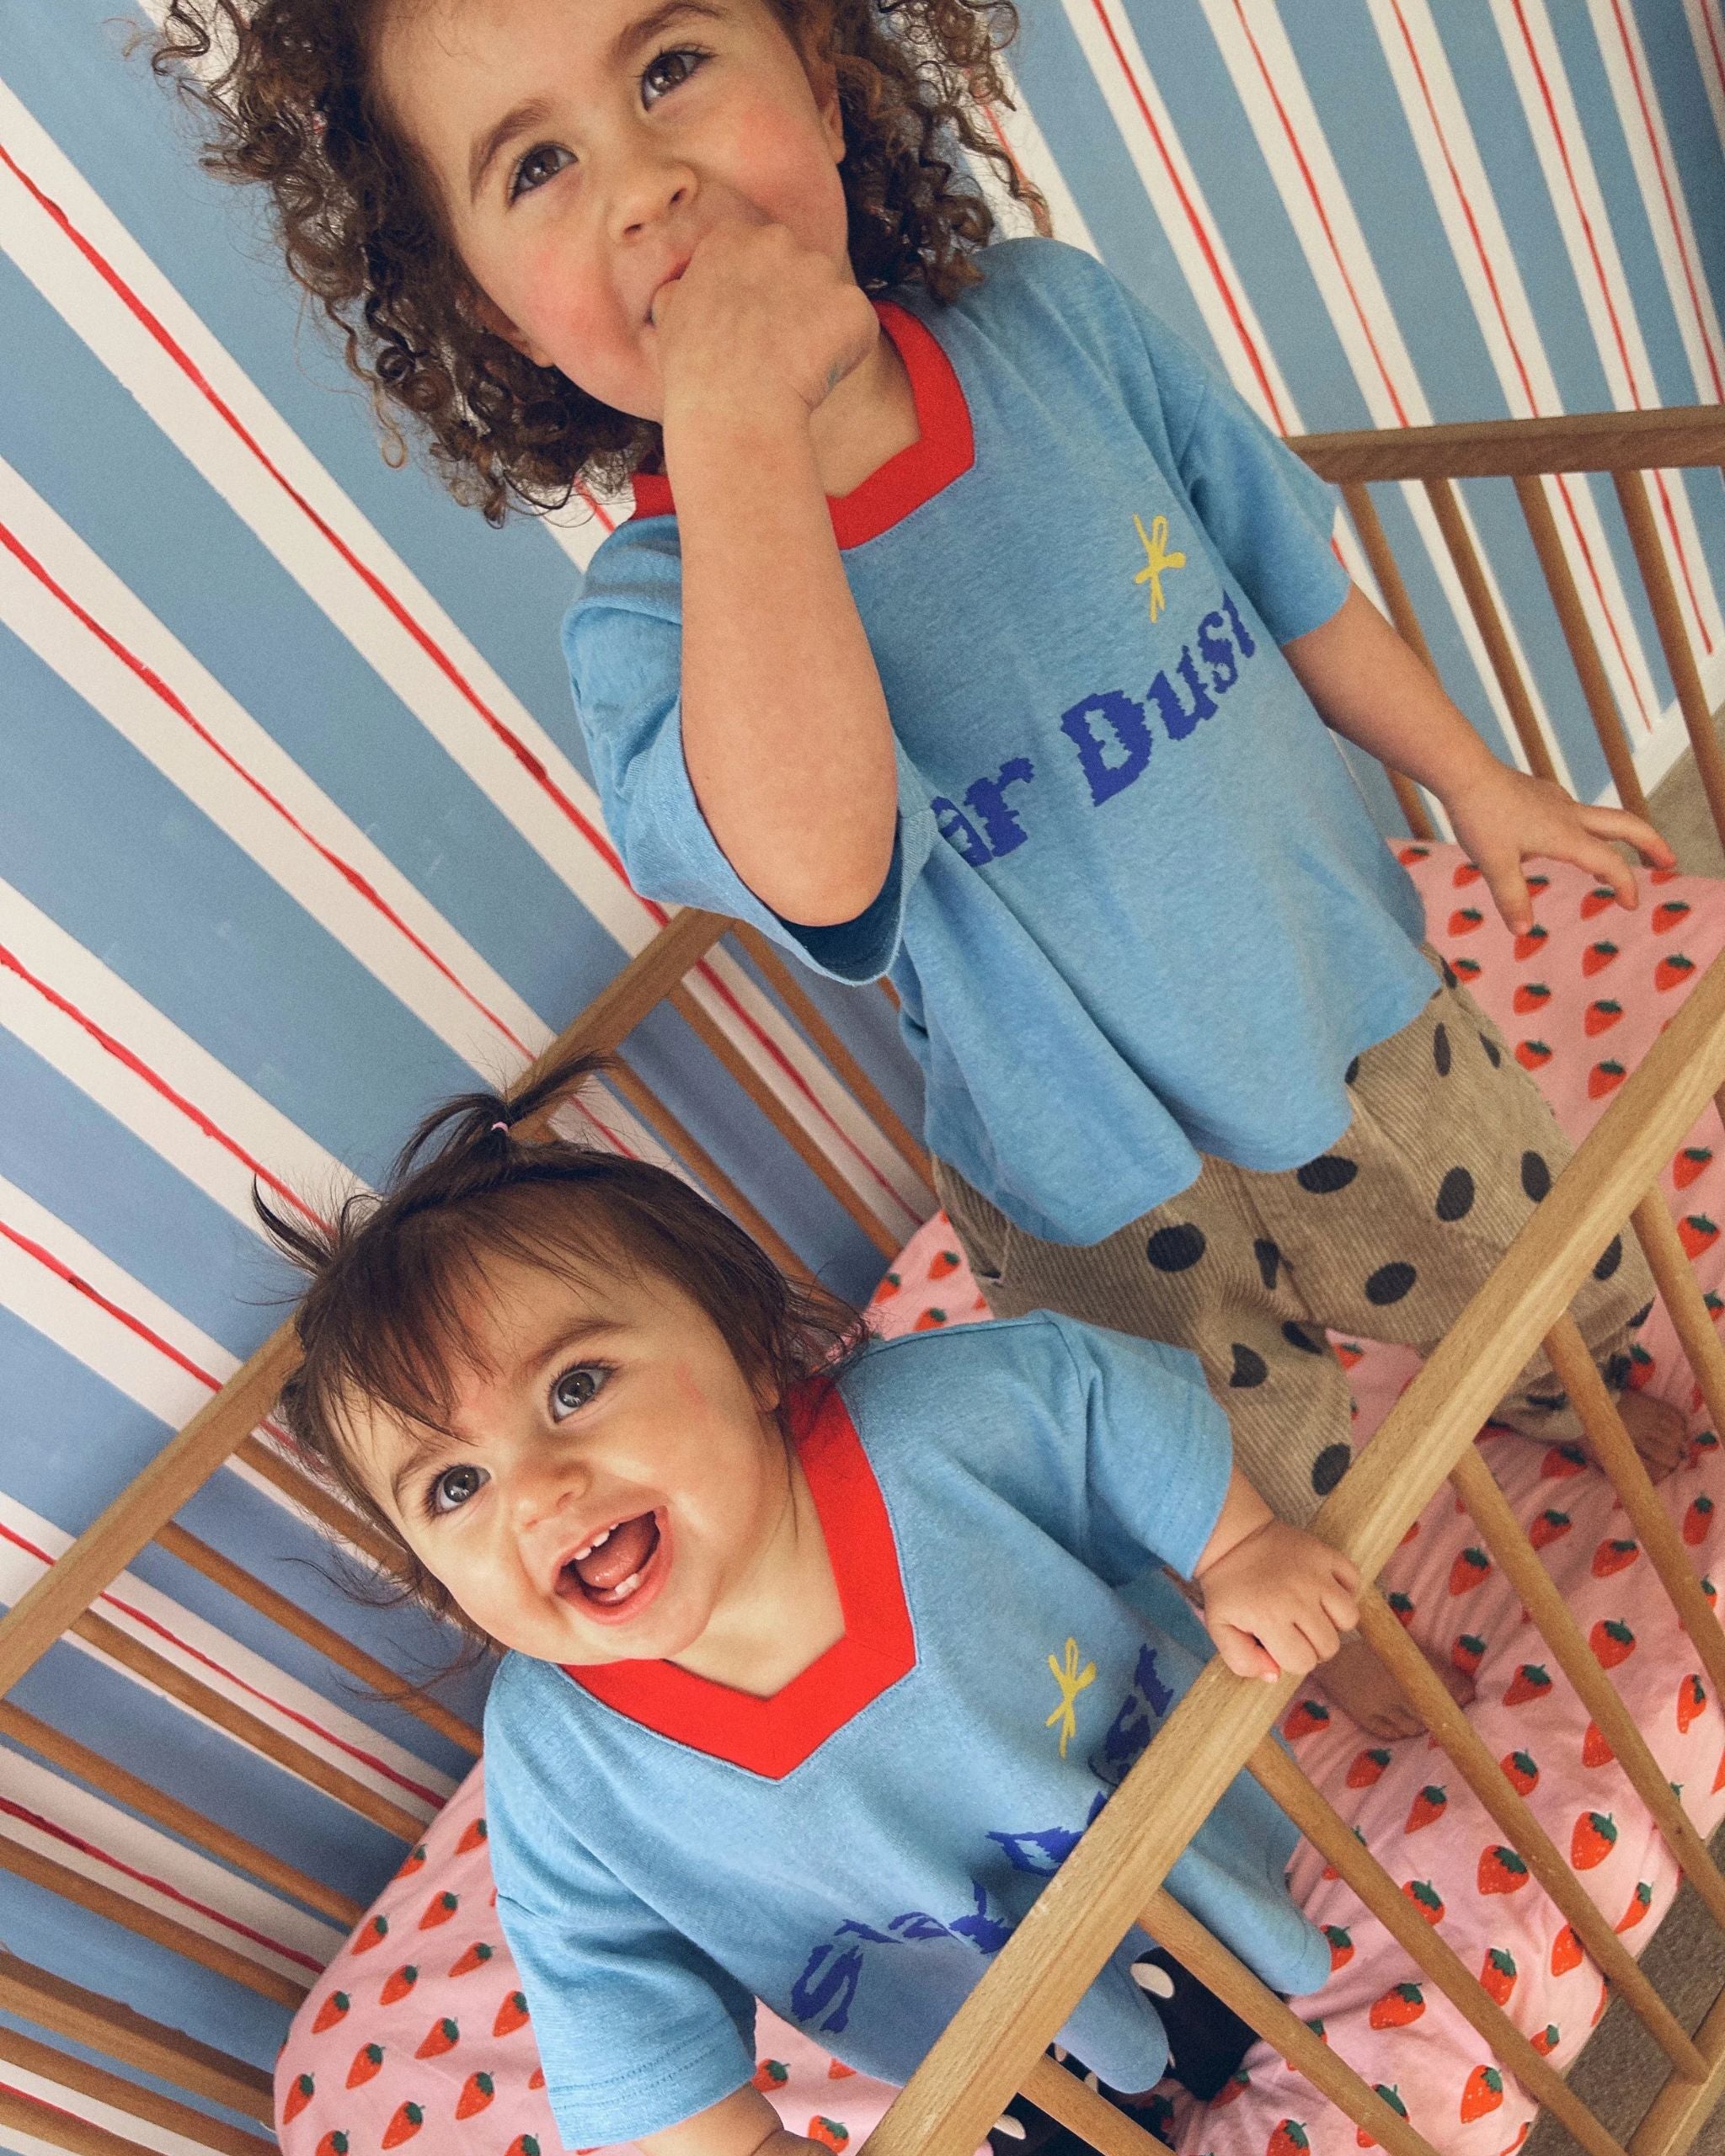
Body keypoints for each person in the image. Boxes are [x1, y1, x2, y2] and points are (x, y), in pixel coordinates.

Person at [155, 0, 1683, 1734]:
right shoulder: (649, 628)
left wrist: (1477, 781)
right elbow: (818, 861)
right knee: (1248, 1503)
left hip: (1348, 1015)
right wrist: (733, 429)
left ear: (817, 79)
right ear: (499, 314)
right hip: (1095, 1189)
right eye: (540, 165)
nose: (644, 185)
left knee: (1550, 1270)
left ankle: (1601, 1402)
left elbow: (1292, 580)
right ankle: (1410, 1691)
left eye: (669, 72)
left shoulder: (1057, 331)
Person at [260, 1057, 1361, 2156]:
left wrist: (1244, 1547)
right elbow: (602, 1975)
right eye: (455, 1487)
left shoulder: (930, 1426)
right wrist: (735, 2140)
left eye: (577, 1387)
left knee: (1252, 1962)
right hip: (990, 2044)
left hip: (1190, 1848)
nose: (540, 1490)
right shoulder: (561, 1760)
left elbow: (1098, 1400)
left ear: (747, 1353)